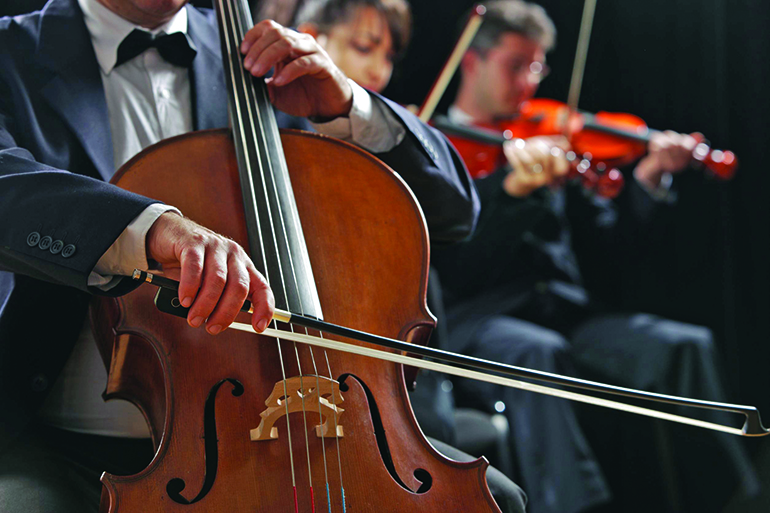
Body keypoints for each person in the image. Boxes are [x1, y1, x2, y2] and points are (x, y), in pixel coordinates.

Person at [0, 0, 487, 511]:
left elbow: (454, 213)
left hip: (272, 438)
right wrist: (152, 229)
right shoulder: (12, 50)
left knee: (492, 498)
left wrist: (348, 108)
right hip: (57, 442)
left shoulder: (259, 56)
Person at [431, 2, 759, 513]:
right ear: (472, 61)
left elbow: (611, 252)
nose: (528, 84)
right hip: (481, 320)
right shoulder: (436, 148)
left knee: (682, 345)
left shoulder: (551, 138)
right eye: (515, 66)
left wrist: (647, 182)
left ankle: (730, 499)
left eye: (536, 68)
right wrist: (512, 193)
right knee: (538, 353)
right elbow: (458, 268)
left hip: (565, 317)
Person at [294, 2, 526, 512]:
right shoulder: (275, 144)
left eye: (389, 54)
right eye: (363, 47)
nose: (379, 70)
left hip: (393, 396)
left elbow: (458, 215)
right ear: (309, 39)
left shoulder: (383, 144)